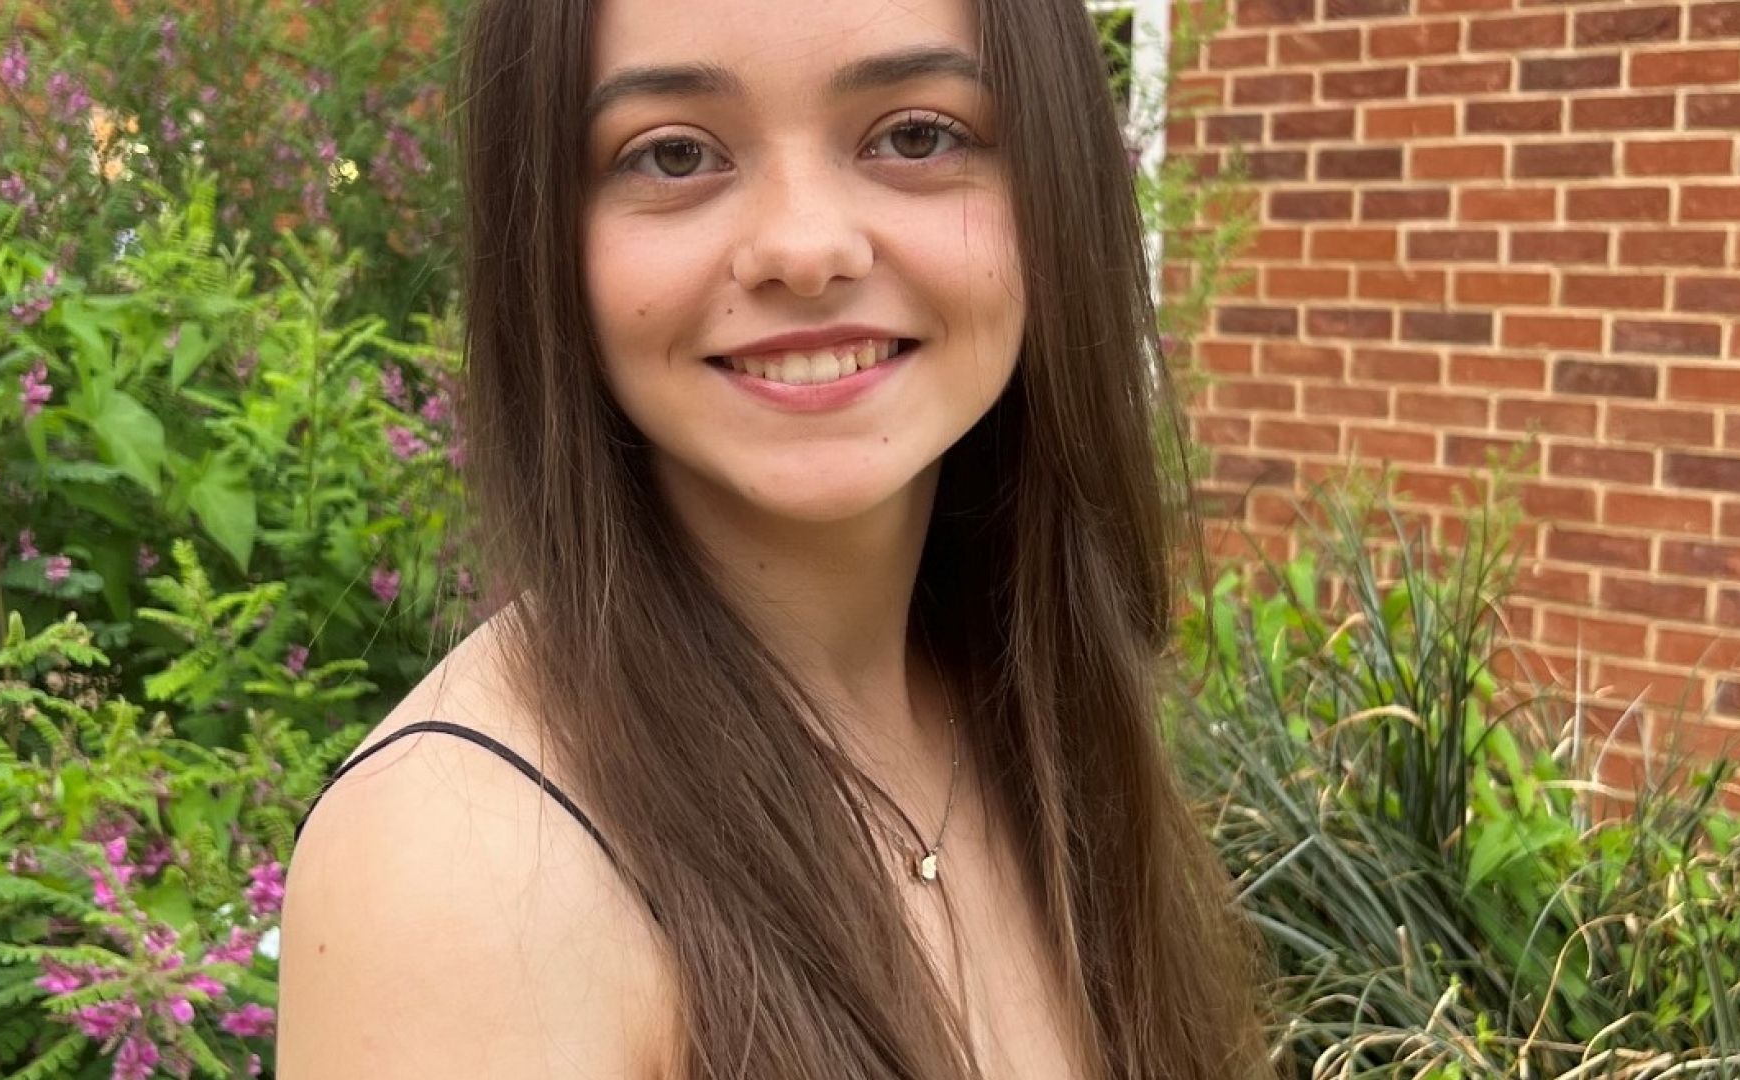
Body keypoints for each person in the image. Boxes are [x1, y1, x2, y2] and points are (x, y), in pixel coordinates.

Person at [276, 0, 1275, 1076]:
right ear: (544, 236)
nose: (805, 250)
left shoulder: (1025, 714)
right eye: (673, 153)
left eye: (916, 135)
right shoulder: (468, 871)